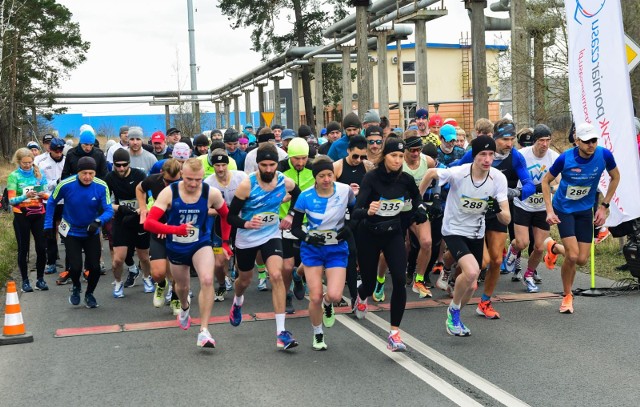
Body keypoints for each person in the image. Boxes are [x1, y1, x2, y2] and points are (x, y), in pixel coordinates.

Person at [419, 136, 509, 336]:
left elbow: (506, 219)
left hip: (476, 232)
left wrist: (497, 210)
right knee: (470, 272)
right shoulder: (459, 173)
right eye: (482, 155)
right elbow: (431, 173)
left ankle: (456, 310)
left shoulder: (498, 178)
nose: (487, 159)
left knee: (472, 284)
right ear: (474, 156)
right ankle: (452, 312)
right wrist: (417, 201)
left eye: (491, 155)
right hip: (453, 230)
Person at [144, 158, 232, 348]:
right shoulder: (170, 192)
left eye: (198, 180)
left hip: (200, 243)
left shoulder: (211, 193)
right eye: (189, 179)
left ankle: (204, 330)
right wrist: (176, 230)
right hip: (176, 245)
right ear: (182, 175)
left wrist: (225, 243)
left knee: (207, 280)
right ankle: (184, 307)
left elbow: (227, 216)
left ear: (203, 177)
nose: (193, 184)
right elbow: (149, 223)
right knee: (182, 287)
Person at [351, 137, 429, 351]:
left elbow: (417, 199)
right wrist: (369, 210)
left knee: (398, 277)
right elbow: (356, 212)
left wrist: (420, 210)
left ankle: (394, 333)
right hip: (369, 234)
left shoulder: (405, 179)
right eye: (393, 155)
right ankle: (361, 295)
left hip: (393, 233)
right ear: (384, 156)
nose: (397, 160)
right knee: (367, 282)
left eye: (399, 156)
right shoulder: (371, 178)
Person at [226, 143, 302, 350]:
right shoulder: (247, 185)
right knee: (244, 280)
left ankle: (281, 333)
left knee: (276, 275)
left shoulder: (284, 182)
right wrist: (246, 223)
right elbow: (231, 216)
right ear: (257, 164)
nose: (268, 169)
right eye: (264, 165)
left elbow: (299, 196)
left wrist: (290, 214)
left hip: (271, 234)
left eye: (272, 164)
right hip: (247, 238)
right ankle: (238, 301)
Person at [541, 123, 620, 314]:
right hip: (564, 209)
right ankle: (567, 296)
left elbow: (615, 177)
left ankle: (553, 247)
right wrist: (549, 211)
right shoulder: (565, 158)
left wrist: (604, 206)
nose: (591, 145)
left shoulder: (604, 155)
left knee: (582, 259)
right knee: (573, 255)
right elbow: (545, 181)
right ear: (577, 141)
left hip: (585, 210)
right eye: (586, 141)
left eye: (594, 140)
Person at [290, 156, 355, 350]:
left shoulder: (345, 191)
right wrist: (308, 238)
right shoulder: (305, 196)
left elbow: (354, 211)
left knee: (334, 295)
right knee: (316, 296)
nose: (326, 179)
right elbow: (295, 228)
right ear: (315, 178)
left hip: (336, 248)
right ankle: (318, 334)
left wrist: (348, 227)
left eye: (329, 175)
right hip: (313, 249)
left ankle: (328, 304)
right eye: (321, 176)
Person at [44, 157, 114, 308]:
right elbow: (51, 202)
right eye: (84, 173)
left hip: (91, 231)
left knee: (95, 268)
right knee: (75, 267)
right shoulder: (66, 184)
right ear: (78, 172)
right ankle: (76, 286)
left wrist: (98, 221)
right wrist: (48, 225)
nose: (88, 177)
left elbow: (108, 210)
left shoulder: (101, 186)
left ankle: (89, 293)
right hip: (71, 231)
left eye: (91, 173)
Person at [503, 124, 563, 293]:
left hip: (543, 206)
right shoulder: (522, 155)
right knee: (522, 242)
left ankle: (528, 274)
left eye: (548, 140)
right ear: (534, 141)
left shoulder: (554, 157)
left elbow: (560, 182)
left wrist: (548, 189)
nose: (545, 144)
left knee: (539, 247)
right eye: (541, 141)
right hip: (523, 205)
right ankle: (513, 249)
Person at [136, 159, 184, 313]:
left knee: (177, 269)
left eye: (175, 182)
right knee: (157, 272)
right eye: (168, 181)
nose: (171, 186)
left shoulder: (186, 183)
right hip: (157, 229)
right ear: (161, 174)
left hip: (178, 230)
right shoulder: (153, 180)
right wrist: (143, 208)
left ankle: (176, 297)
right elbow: (139, 188)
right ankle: (161, 284)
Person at [105, 149, 153, 298]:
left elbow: (149, 197)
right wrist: (119, 208)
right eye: (117, 165)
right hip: (122, 219)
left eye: (124, 165)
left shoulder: (139, 175)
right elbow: (105, 203)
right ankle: (118, 282)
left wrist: (142, 209)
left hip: (139, 218)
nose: (121, 168)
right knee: (118, 259)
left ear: (129, 163)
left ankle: (146, 277)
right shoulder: (110, 177)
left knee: (144, 256)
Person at [203, 149, 247, 302]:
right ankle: (221, 284)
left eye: (223, 165)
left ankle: (237, 279)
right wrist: (221, 211)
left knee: (241, 261)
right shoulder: (208, 183)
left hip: (240, 223)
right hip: (220, 224)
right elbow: (204, 209)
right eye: (217, 165)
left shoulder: (241, 177)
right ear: (212, 165)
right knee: (219, 262)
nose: (220, 169)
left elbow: (251, 198)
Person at [277, 137, 314, 313]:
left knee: (309, 261)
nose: (300, 162)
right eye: (296, 158)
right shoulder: (279, 169)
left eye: (303, 158)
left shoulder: (314, 169)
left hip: (308, 221)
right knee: (286, 265)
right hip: (285, 221)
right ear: (289, 156)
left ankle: (298, 277)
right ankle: (286, 295)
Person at [8, 148, 49, 292]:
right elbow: (11, 200)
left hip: (38, 213)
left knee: (41, 248)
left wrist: (42, 194)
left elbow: (47, 195)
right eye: (24, 163)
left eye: (30, 163)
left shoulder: (39, 173)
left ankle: (40, 279)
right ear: (18, 162)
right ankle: (25, 281)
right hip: (21, 215)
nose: (27, 165)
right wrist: (26, 196)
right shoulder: (14, 176)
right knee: (23, 249)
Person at [37, 138, 66, 276]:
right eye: (56, 151)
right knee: (49, 231)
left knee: (66, 230)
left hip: (65, 201)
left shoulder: (67, 161)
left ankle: (70, 263)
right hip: (49, 200)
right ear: (50, 149)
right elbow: (42, 184)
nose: (59, 153)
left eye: (61, 150)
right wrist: (56, 182)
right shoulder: (42, 163)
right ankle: (52, 262)